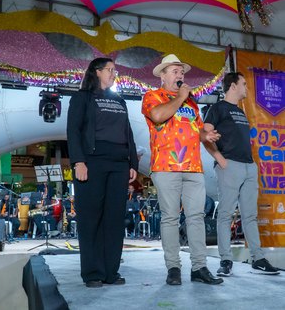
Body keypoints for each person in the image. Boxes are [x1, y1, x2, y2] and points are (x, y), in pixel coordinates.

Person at [142, 54, 223, 285]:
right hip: (166, 166)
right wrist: (180, 97)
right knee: (170, 217)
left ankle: (199, 267)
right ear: (163, 75)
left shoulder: (191, 104)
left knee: (196, 217)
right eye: (175, 71)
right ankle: (173, 268)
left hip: (193, 166)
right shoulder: (153, 96)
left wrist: (206, 135)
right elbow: (158, 116)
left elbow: (197, 131)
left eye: (182, 72)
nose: (180, 75)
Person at [67, 57, 138, 288]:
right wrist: (78, 161)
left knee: (115, 219)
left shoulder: (120, 101)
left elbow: (128, 133)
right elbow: (73, 131)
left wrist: (133, 164)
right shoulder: (82, 98)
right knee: (91, 219)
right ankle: (93, 273)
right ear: (96, 72)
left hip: (119, 164)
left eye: (115, 70)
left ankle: (111, 272)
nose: (114, 73)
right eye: (110, 70)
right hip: (92, 163)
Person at [204, 72, 279, 276]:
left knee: (250, 216)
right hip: (230, 166)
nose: (247, 87)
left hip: (248, 167)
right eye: (244, 84)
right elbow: (205, 134)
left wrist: (252, 165)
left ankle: (258, 259)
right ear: (233, 86)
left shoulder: (240, 111)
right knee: (225, 215)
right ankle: (226, 260)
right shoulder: (217, 108)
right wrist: (219, 158)